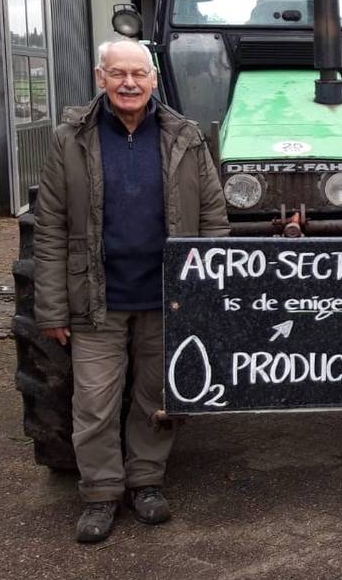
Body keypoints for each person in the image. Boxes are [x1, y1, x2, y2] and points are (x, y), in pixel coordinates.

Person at [34, 39, 229, 543]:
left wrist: (203, 291)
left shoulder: (184, 137)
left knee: (155, 395)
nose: (128, 83)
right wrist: (52, 306)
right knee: (94, 402)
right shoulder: (70, 139)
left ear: (153, 79)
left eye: (138, 74)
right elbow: (51, 226)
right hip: (95, 298)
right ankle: (100, 493)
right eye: (118, 74)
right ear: (101, 78)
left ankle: (145, 482)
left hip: (168, 296)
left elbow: (212, 219)